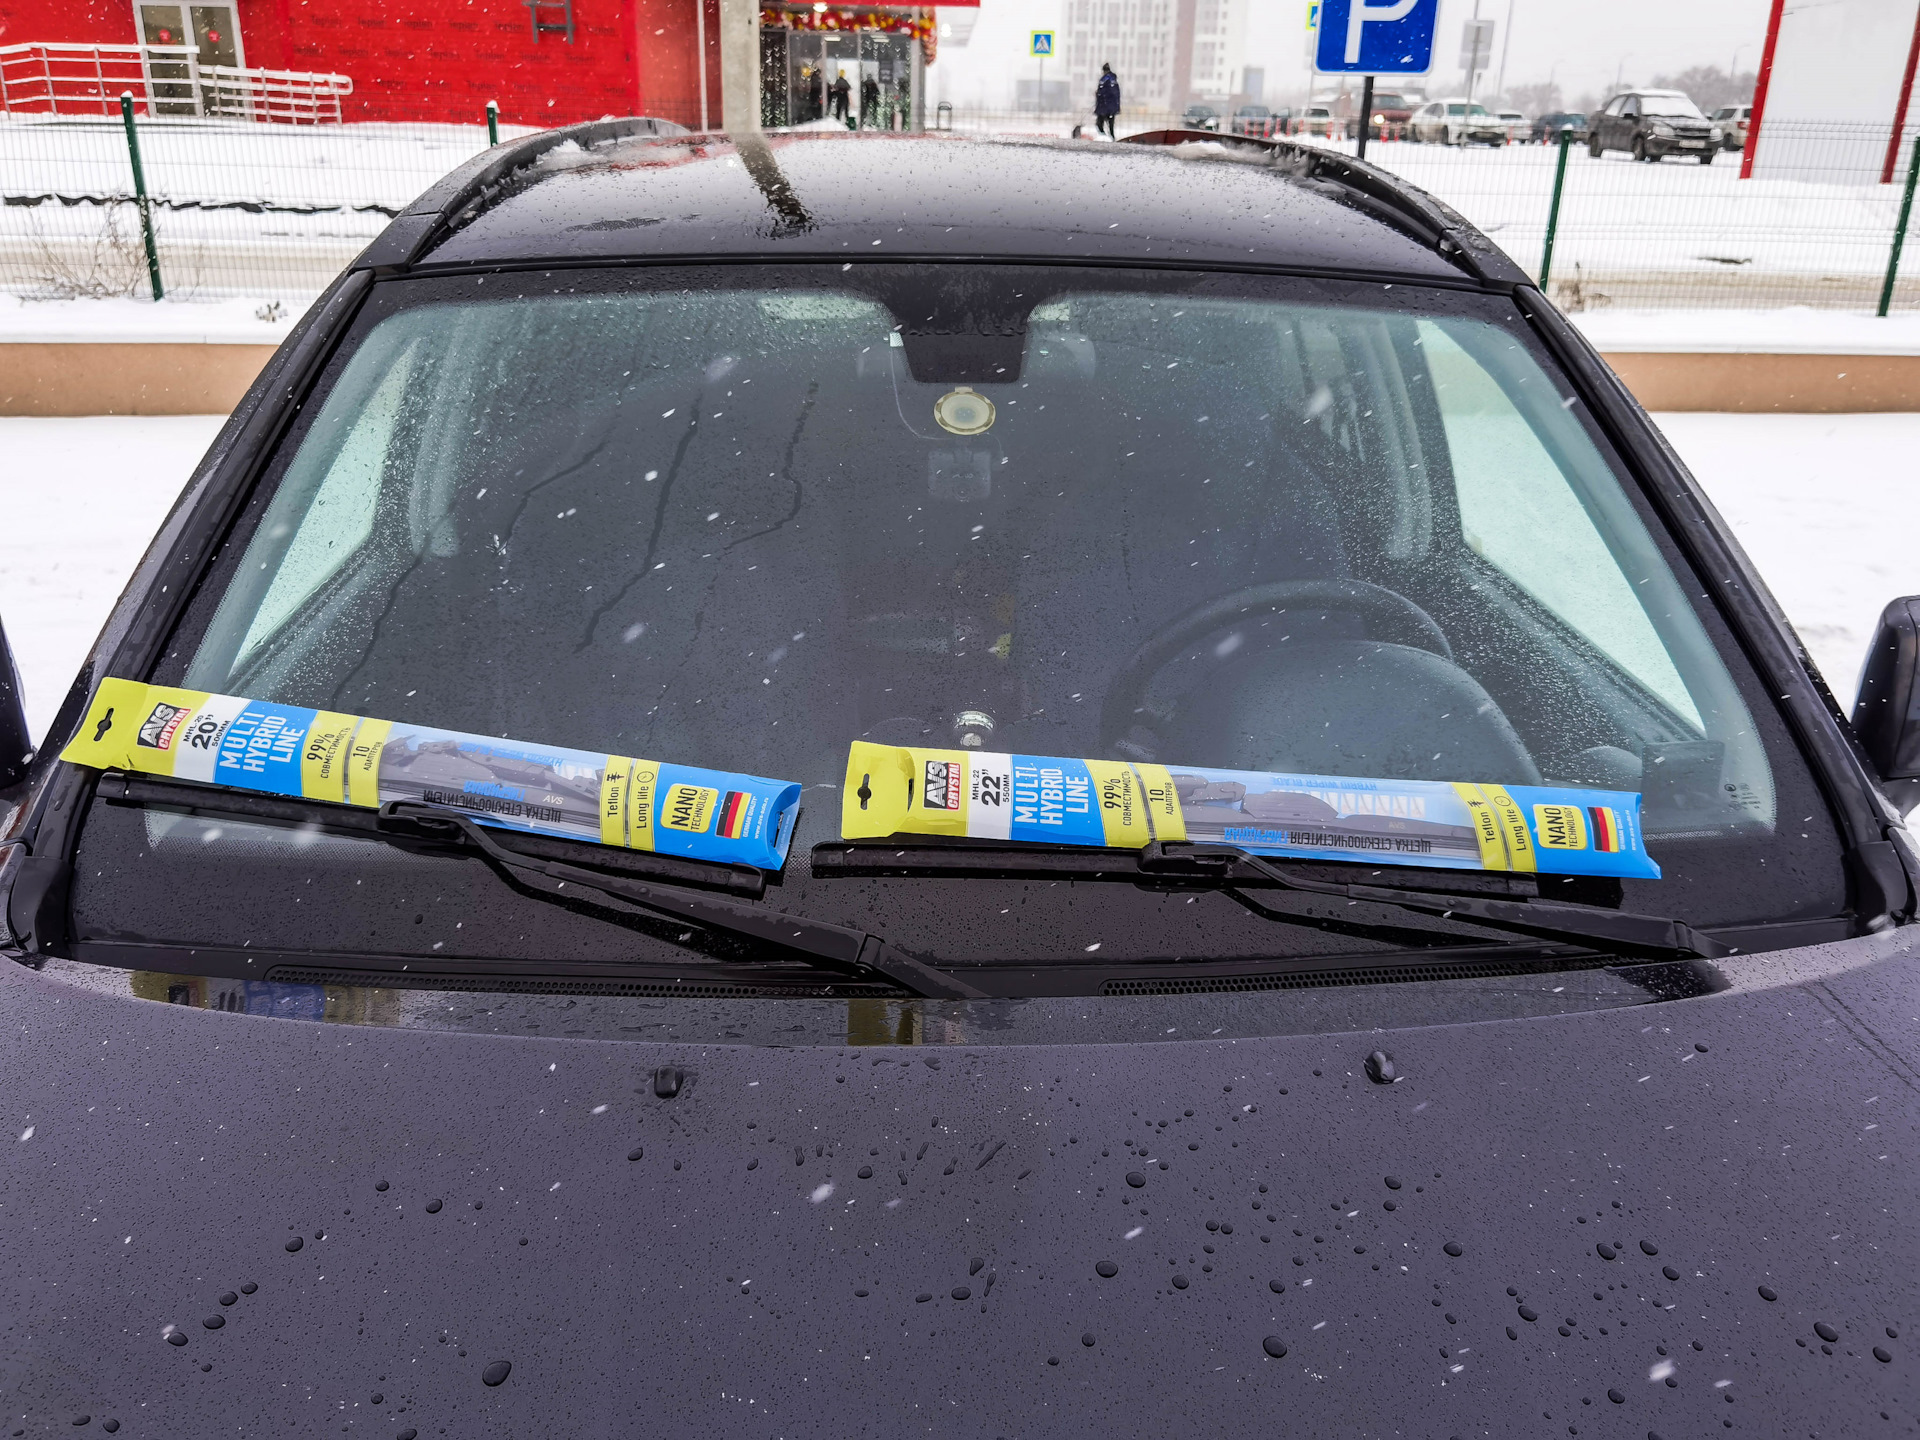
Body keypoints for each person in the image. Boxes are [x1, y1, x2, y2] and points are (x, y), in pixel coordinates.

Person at [1094, 62, 1120, 138]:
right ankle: (1111, 138)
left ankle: (1105, 137)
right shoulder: (1113, 80)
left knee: (1099, 124)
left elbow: (1103, 92)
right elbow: (1116, 94)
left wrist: (1098, 94)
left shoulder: (1104, 80)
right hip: (1112, 107)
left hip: (1104, 106)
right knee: (1110, 126)